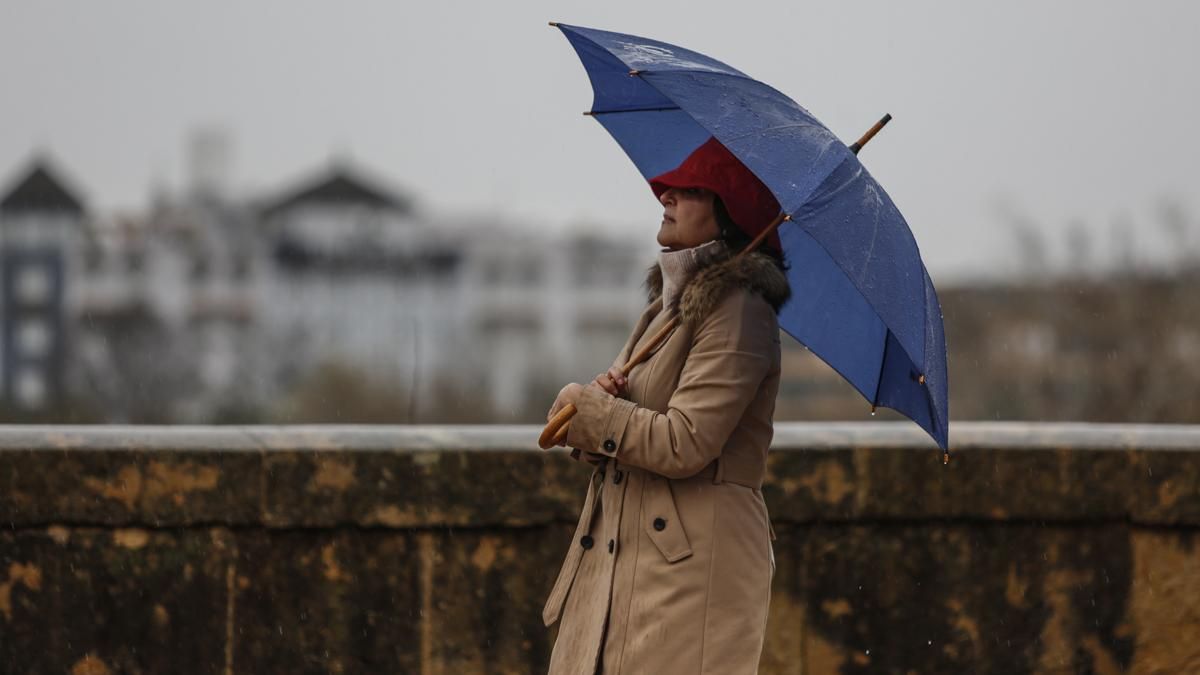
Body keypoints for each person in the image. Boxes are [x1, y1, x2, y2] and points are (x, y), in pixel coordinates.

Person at [543, 137, 791, 675]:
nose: (667, 195)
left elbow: (686, 442)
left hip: (689, 575)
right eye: (670, 186)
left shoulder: (742, 311)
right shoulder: (666, 308)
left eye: (692, 189)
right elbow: (621, 427)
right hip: (624, 562)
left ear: (728, 212)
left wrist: (596, 415)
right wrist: (597, 406)